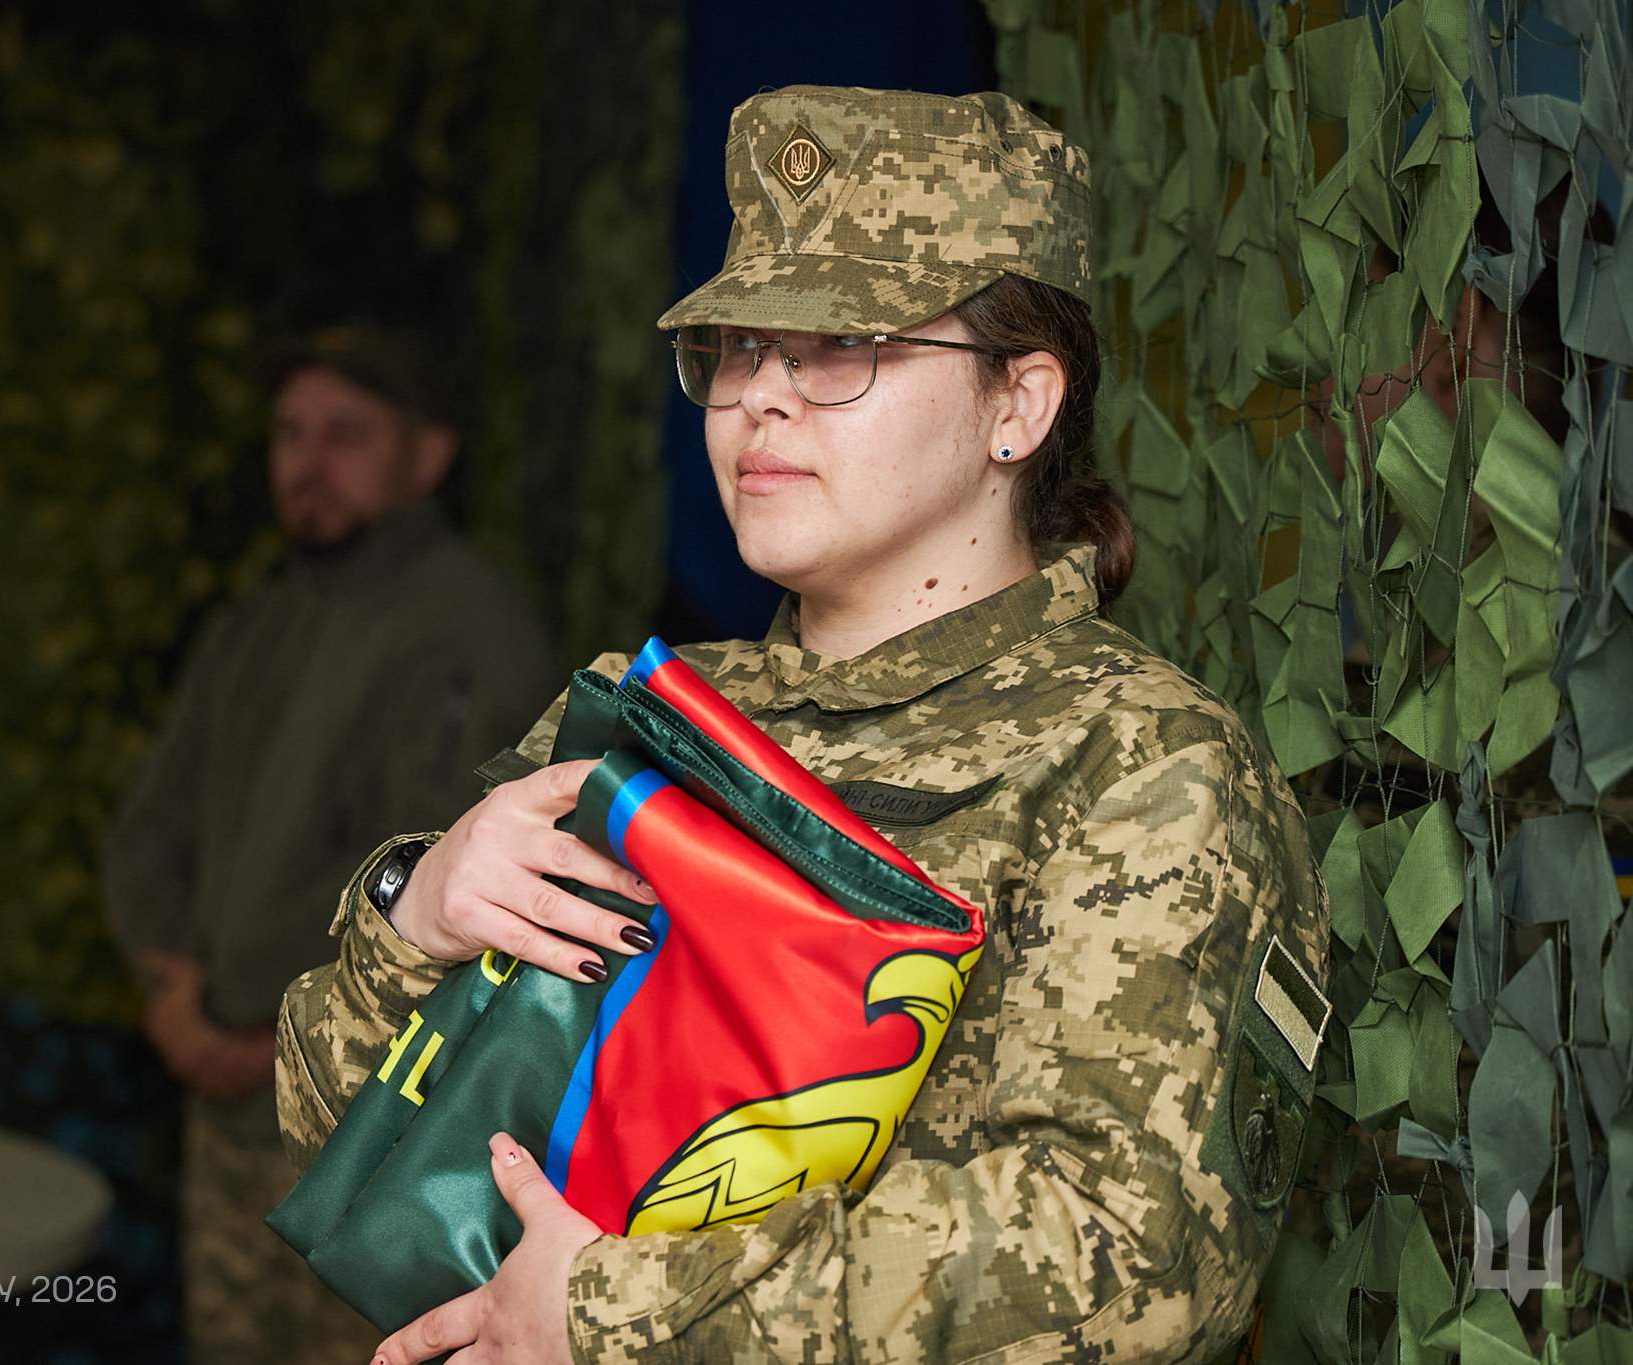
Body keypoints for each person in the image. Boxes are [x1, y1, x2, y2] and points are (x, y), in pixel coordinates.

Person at [276, 89, 1331, 1365]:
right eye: (737, 348)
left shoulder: (1142, 764)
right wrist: (412, 916)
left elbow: (1135, 1264)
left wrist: (615, 1313)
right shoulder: (647, 719)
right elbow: (344, 1137)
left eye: (840, 346)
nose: (757, 400)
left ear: (1017, 405)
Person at [104, 325, 557, 1365]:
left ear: (427, 456)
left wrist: (270, 1035)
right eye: (289, 433)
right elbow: (147, 833)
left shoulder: (467, 627)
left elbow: (437, 872)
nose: (308, 461)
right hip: (222, 1108)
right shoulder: (256, 624)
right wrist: (170, 986)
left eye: (346, 434)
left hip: (377, 1125)